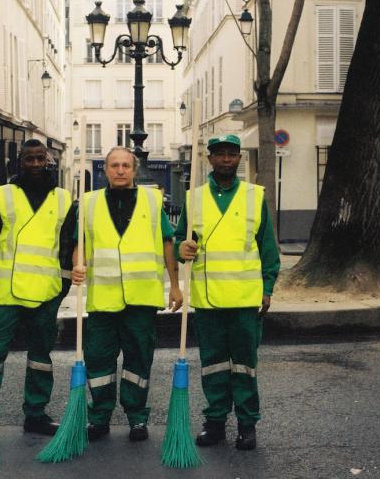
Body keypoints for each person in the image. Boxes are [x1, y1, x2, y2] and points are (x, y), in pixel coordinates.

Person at [175, 134, 280, 451]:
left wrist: (267, 287)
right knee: (214, 364)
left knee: (245, 365)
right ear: (209, 159)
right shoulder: (193, 198)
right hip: (208, 299)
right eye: (219, 154)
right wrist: (183, 248)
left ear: (239, 159)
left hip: (245, 298)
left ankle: (247, 425)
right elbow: (181, 242)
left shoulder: (254, 196)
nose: (225, 159)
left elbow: (267, 247)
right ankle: (216, 421)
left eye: (231, 154)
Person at [70, 146, 182, 442]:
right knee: (99, 361)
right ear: (105, 170)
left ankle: (136, 418)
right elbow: (78, 242)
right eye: (114, 165)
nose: (120, 170)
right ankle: (99, 418)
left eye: (125, 166)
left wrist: (175, 284)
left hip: (141, 299)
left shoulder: (153, 199)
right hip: (103, 300)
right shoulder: (88, 202)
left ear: (134, 170)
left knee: (139, 360)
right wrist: (77, 265)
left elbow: (167, 244)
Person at [0, 139, 76, 437]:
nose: (36, 164)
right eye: (29, 159)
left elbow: (69, 247)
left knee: (41, 356)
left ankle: (36, 414)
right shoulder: (2, 196)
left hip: (47, 291)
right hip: (5, 291)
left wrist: (62, 286)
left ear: (49, 161)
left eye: (41, 158)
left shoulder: (65, 199)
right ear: (21, 163)